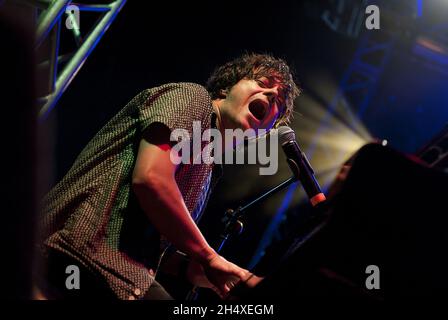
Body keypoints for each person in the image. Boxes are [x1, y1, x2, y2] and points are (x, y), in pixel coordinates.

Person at [38, 53, 301, 300]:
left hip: (117, 274)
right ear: (225, 88)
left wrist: (201, 271)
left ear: (264, 133)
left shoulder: (209, 167)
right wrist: (209, 257)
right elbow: (151, 178)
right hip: (77, 252)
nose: (271, 94)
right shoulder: (193, 98)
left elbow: (153, 243)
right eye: (262, 83)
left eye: (278, 101)